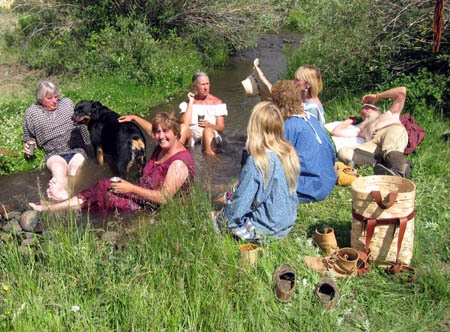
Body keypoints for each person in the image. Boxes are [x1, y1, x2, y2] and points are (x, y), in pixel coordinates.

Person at [29, 112, 195, 213]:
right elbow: (151, 131)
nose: (160, 136)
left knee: (106, 196)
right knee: (103, 185)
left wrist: (130, 187)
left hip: (154, 208)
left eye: (165, 132)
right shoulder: (164, 144)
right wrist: (135, 118)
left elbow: (164, 198)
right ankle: (58, 207)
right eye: (157, 132)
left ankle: (55, 209)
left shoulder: (179, 164)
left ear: (176, 133)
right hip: (144, 196)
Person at [213, 102, 300, 241]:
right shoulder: (288, 153)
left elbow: (240, 204)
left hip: (267, 229)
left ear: (254, 128)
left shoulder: (257, 161)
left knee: (212, 218)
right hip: (286, 221)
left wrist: (220, 219)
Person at [23, 81, 90, 201]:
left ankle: (68, 193)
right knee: (58, 170)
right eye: (49, 98)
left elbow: (81, 126)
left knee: (75, 170)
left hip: (76, 149)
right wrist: (29, 146)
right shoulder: (32, 113)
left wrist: (88, 145)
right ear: (40, 99)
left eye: (56, 97)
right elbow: (29, 137)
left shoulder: (67, 103)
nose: (55, 101)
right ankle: (59, 190)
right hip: (54, 153)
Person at [271, 80, 337, 203]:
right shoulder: (311, 118)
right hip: (328, 180)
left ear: (277, 104)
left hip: (311, 188)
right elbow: (331, 154)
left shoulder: (289, 126)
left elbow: (274, 163)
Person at [331, 86, 410, 177]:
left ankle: (397, 172)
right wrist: (349, 121)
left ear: (377, 109)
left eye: (367, 107)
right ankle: (392, 165)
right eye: (362, 110)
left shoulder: (390, 113)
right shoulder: (362, 129)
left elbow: (402, 91)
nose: (364, 110)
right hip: (374, 144)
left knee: (390, 146)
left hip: (391, 129)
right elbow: (336, 132)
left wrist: (377, 96)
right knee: (344, 152)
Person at [253, 62, 326, 126]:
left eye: (297, 80)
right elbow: (279, 92)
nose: (293, 81)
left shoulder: (312, 108)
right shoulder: (303, 94)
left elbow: (307, 132)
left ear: (308, 85)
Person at [179, 72, 228, 156]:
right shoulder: (187, 102)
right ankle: (177, 156)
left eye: (207, 84)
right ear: (195, 86)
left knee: (207, 131)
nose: (206, 88)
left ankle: (210, 164)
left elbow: (221, 128)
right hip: (192, 135)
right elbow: (185, 123)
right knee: (183, 127)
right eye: (202, 84)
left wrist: (209, 125)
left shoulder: (217, 102)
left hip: (210, 133)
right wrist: (191, 102)